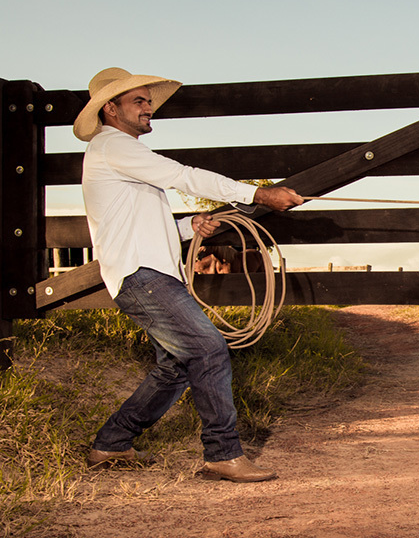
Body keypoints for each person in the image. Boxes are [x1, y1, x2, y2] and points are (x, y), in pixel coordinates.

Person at [75, 67, 305, 482]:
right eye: (139, 102)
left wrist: (187, 227)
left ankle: (111, 444)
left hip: (146, 274)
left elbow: (135, 224)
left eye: (148, 101)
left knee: (175, 366)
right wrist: (257, 193)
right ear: (111, 109)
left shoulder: (116, 154)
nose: (149, 109)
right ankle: (222, 453)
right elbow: (184, 176)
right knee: (209, 350)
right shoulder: (113, 146)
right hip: (145, 277)